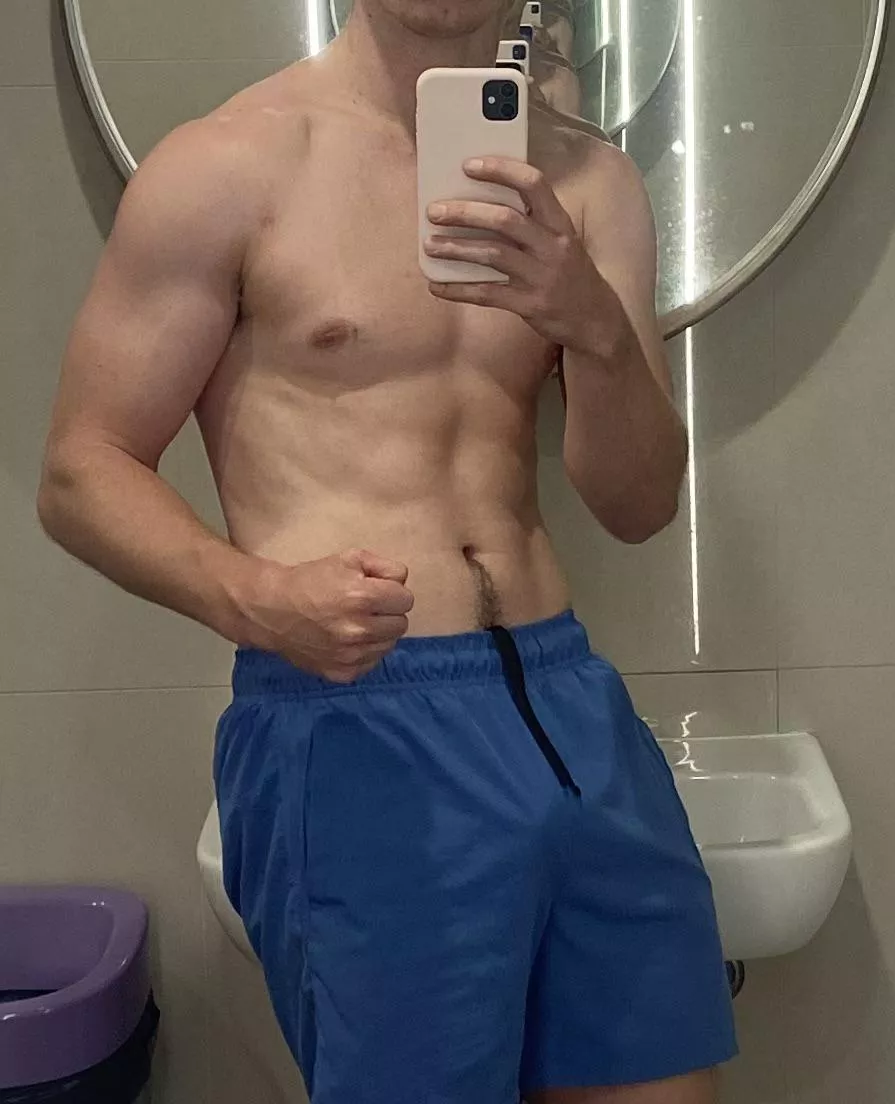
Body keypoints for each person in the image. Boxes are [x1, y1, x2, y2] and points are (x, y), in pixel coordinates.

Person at [38, 0, 737, 1100]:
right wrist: (255, 597)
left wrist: (593, 325)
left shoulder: (590, 186)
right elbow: (83, 469)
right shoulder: (225, 167)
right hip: (359, 715)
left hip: (571, 706)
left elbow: (639, 504)